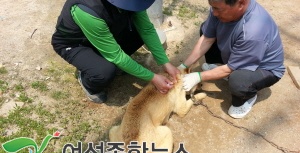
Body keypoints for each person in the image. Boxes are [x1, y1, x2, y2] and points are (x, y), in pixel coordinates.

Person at [51, 0, 179, 104]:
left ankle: (109, 60)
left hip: (103, 34)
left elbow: (146, 29)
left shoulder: (132, 4)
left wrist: (165, 62)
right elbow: (116, 56)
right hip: (76, 44)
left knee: (138, 33)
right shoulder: (87, 9)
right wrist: (153, 77)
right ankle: (86, 81)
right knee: (104, 71)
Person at [178, 0, 285, 118]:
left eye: (218, 9)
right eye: (212, 7)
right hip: (241, 52)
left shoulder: (253, 31)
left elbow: (229, 69)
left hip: (264, 69)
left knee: (238, 80)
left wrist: (198, 76)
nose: (214, 13)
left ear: (241, 4)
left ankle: (247, 96)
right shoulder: (219, 6)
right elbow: (207, 39)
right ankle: (222, 68)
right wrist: (183, 66)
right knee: (206, 27)